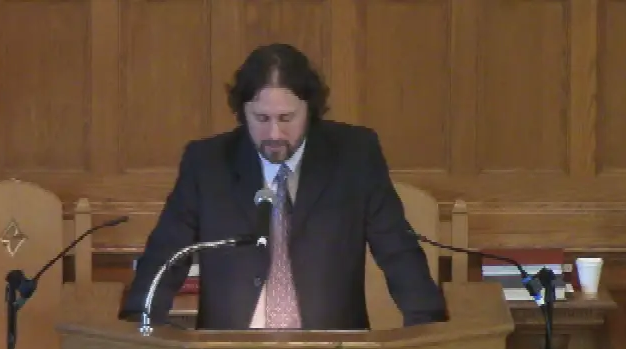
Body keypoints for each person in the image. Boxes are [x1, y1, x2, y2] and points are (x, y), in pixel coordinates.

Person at [119, 43, 445, 330]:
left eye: (287, 118)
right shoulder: (207, 163)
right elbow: (166, 254)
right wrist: (140, 324)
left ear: (310, 110)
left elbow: (398, 251)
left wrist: (427, 328)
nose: (274, 133)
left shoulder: (355, 156)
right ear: (242, 112)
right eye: (261, 119)